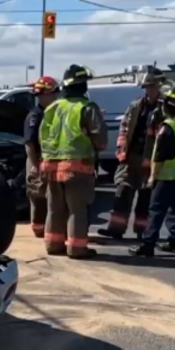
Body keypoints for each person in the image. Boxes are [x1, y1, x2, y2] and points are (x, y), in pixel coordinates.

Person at [38, 64, 108, 259]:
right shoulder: (87, 108)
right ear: (83, 85)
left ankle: (53, 245)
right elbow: (101, 141)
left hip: (51, 166)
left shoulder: (53, 108)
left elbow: (42, 137)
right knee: (77, 211)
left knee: (54, 209)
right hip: (77, 168)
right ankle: (77, 249)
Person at [129, 86, 175, 257]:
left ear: (167, 107)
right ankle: (174, 241)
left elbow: (159, 156)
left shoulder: (167, 127)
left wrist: (152, 178)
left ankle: (148, 244)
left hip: (165, 175)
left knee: (156, 210)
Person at [97, 69, 166, 240]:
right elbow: (125, 126)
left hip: (151, 159)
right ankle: (116, 229)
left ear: (159, 85)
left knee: (145, 198)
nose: (148, 90)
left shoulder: (165, 107)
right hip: (131, 157)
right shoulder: (136, 105)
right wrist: (121, 150)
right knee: (122, 193)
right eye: (147, 86)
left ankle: (142, 232)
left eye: (151, 86)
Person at [23, 76, 60, 238]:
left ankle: (49, 229)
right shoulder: (35, 116)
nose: (56, 97)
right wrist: (35, 166)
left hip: (51, 161)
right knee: (38, 197)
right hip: (37, 160)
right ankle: (39, 231)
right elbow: (29, 144)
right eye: (53, 94)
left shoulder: (54, 113)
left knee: (52, 198)